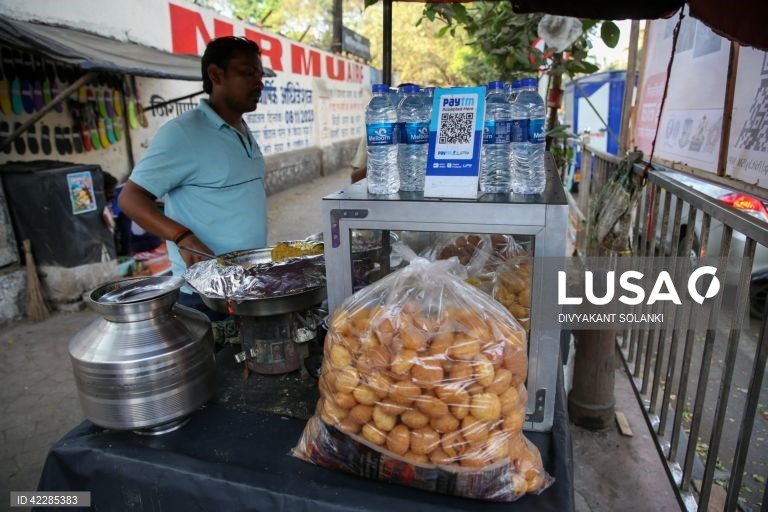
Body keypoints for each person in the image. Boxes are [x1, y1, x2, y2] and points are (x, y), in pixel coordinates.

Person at [118, 36, 266, 317]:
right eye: (248, 73)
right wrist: (182, 236)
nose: (259, 83)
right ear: (216, 75)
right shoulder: (183, 134)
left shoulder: (241, 129)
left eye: (259, 75)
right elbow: (130, 198)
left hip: (247, 285)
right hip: (205, 296)